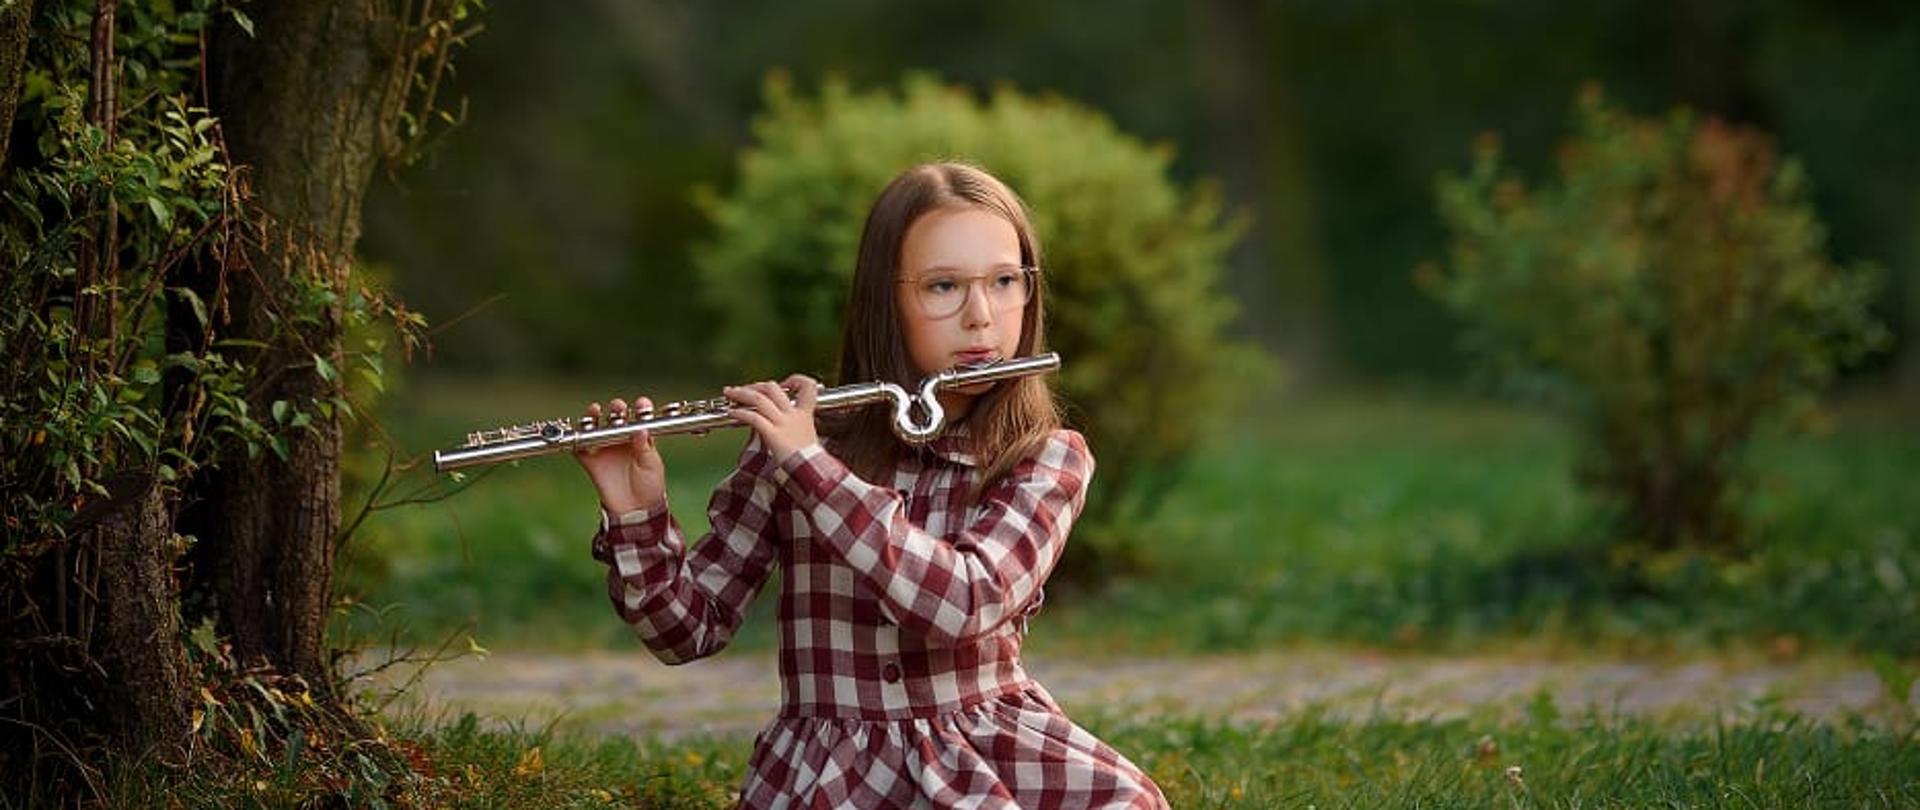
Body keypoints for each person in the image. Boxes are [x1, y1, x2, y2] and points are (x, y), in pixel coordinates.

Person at [576, 162, 1167, 808]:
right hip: (831, 772)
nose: (981, 317)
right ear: (884, 300)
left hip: (984, 753)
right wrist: (636, 511)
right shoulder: (803, 440)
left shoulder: (1047, 459)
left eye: (1004, 282)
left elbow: (962, 604)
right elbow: (686, 632)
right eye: (944, 287)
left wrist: (812, 472)